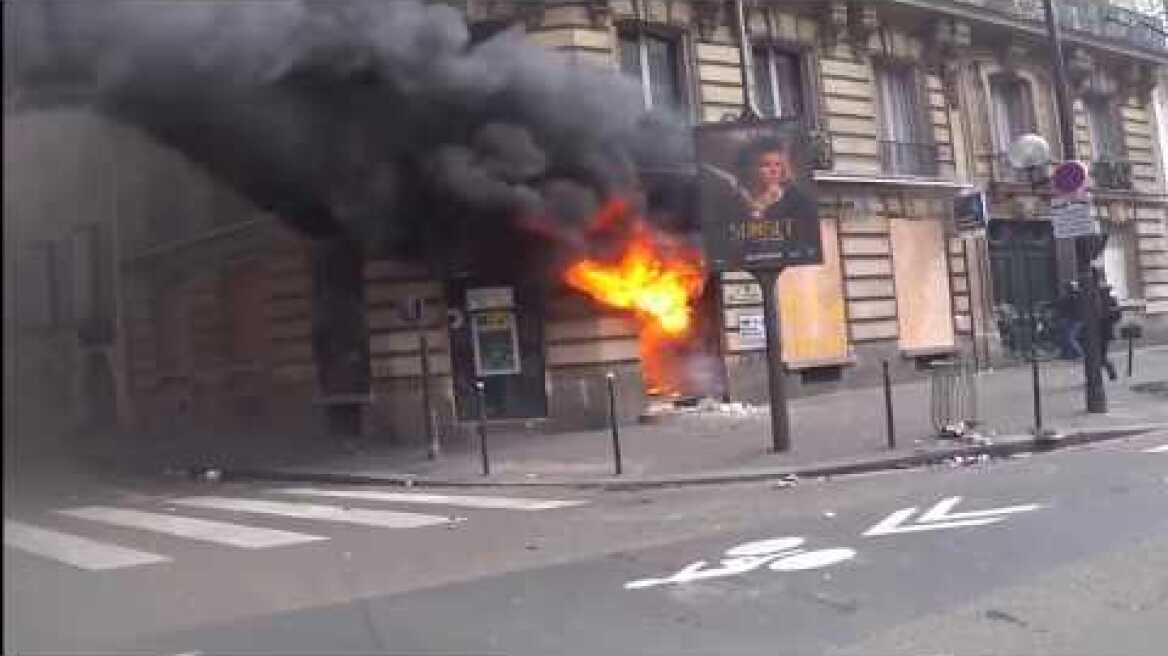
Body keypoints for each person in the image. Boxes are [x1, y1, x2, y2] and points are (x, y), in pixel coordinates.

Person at [734, 137, 818, 244]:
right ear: (749, 169)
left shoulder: (799, 202)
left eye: (778, 164)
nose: (774, 171)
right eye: (765, 165)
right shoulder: (735, 201)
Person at [1053, 281, 1084, 360]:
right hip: (1075, 319)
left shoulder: (1068, 298)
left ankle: (1081, 354)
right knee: (1068, 337)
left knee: (1070, 338)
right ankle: (1070, 355)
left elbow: (1059, 305)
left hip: (1072, 320)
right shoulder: (1075, 296)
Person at [1099, 282, 1121, 381]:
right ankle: (1109, 374)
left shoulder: (1111, 300)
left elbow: (1118, 315)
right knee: (1099, 356)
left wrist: (1108, 318)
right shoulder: (1097, 300)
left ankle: (1111, 373)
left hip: (1104, 331)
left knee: (1101, 356)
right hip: (1100, 331)